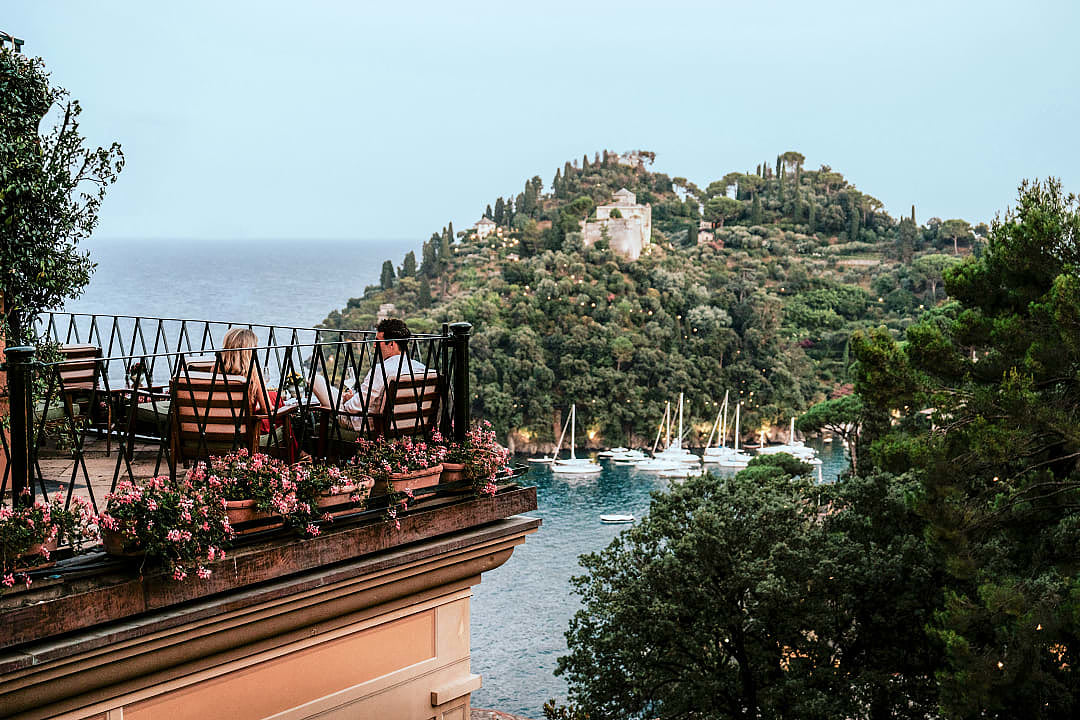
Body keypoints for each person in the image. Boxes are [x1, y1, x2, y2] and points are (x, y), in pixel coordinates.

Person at [310, 318, 426, 430]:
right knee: (340, 394)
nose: (374, 345)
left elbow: (353, 408)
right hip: (408, 425)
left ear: (391, 344)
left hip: (366, 424)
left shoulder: (381, 370)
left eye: (377, 341)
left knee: (315, 380)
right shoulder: (421, 369)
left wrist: (348, 401)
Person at [220, 327, 268, 415]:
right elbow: (266, 409)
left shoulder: (216, 371)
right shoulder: (252, 375)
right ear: (249, 351)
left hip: (217, 424)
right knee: (276, 400)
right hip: (245, 427)